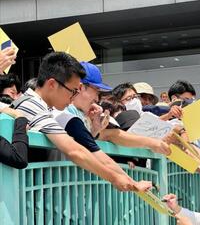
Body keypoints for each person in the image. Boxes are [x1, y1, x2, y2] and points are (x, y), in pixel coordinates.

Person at [13, 52, 151, 192]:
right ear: (52, 84)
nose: (73, 97)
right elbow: (74, 151)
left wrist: (127, 180)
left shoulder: (37, 105)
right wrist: (117, 179)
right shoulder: (32, 106)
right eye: (72, 91)